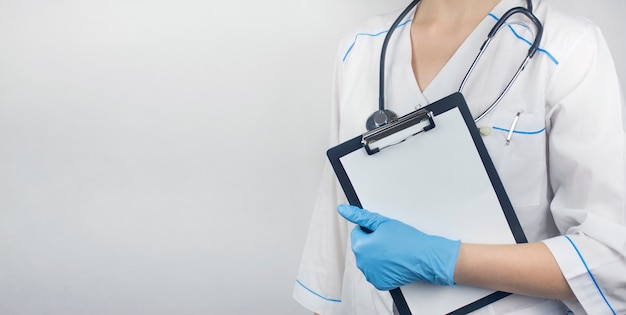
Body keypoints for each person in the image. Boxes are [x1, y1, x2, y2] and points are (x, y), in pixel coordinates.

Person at [294, 0, 626, 314]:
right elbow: (332, 246)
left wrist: (446, 260)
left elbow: (612, 260)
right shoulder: (360, 48)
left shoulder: (567, 48)